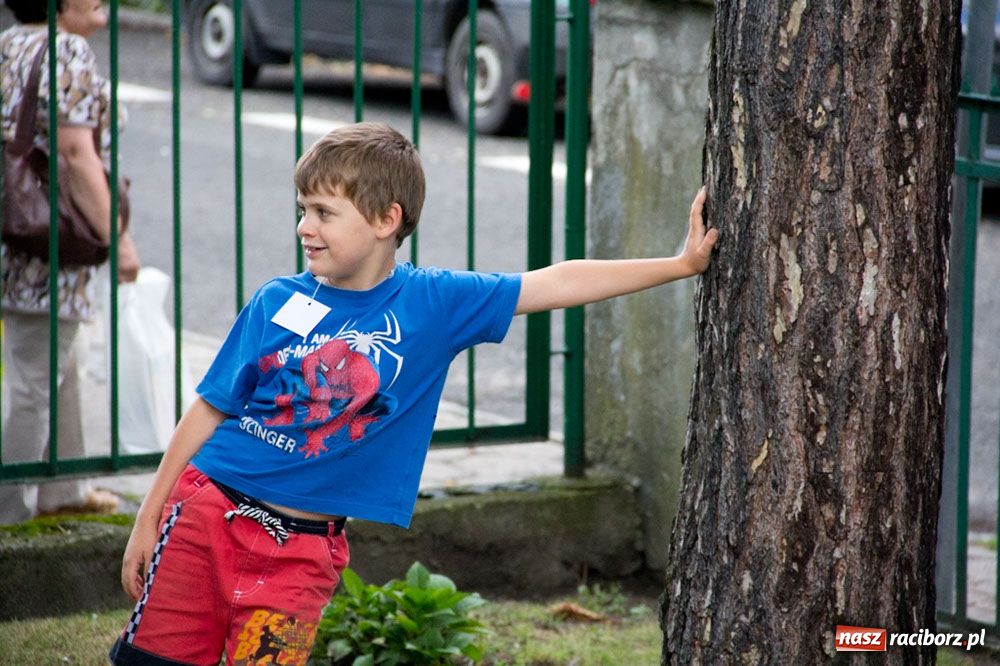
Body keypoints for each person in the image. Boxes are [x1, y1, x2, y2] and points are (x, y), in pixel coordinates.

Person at [110, 122, 719, 664]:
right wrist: (149, 516)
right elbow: (211, 407)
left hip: (301, 554)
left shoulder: (434, 302)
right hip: (203, 514)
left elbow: (553, 282)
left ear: (386, 219)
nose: (304, 227)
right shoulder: (278, 300)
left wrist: (679, 264)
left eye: (324, 213)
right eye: (302, 210)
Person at [0, 0, 141, 524]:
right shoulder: (67, 49)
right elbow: (76, 156)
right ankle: (9, 513)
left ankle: (65, 487)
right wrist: (119, 239)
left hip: (19, 237)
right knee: (35, 380)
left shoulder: (10, 44)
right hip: (53, 243)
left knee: (60, 365)